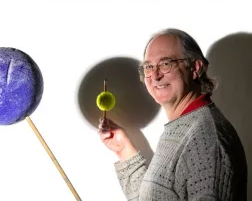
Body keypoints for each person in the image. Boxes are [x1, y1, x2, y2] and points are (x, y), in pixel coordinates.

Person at [98, 28, 247, 201]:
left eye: (166, 63)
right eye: (148, 66)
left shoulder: (207, 140)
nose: (155, 75)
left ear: (195, 68)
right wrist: (123, 148)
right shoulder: (184, 124)